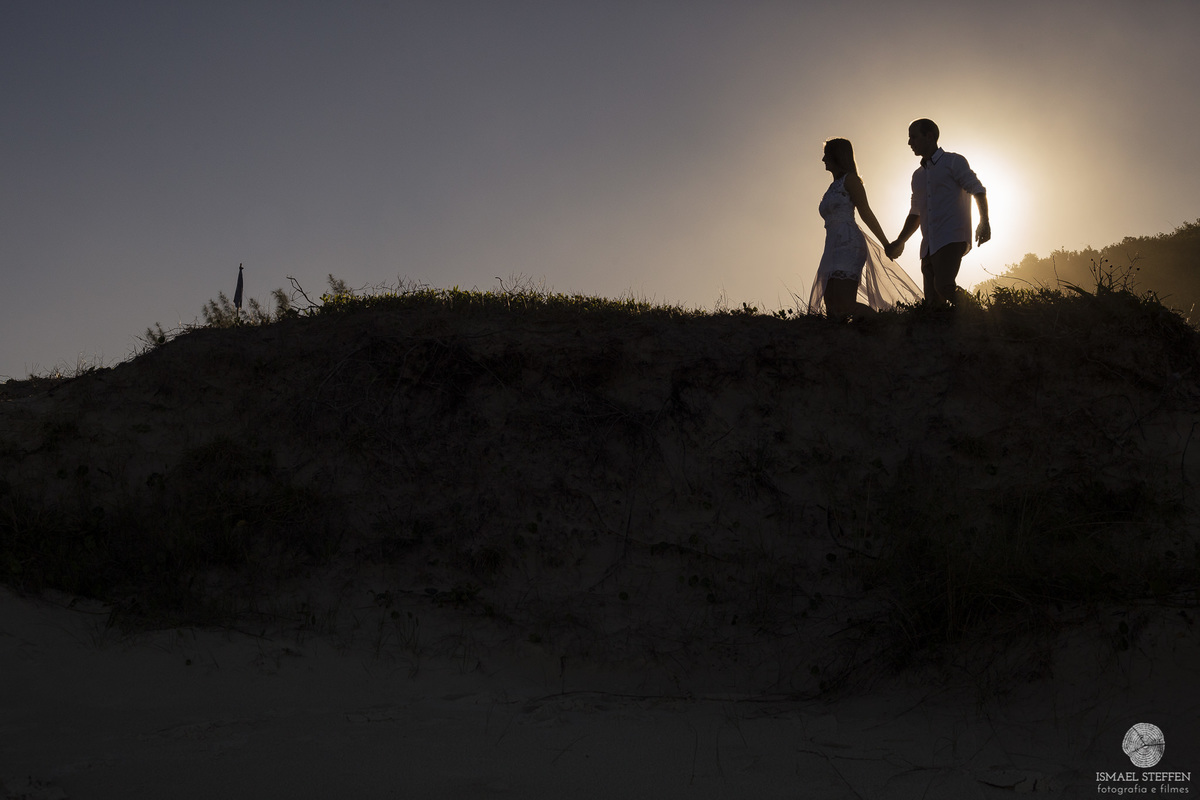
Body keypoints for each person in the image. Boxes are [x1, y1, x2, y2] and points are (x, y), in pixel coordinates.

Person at [809, 138, 922, 319]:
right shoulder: (831, 187)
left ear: (836, 156)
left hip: (849, 244)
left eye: (826, 155)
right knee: (831, 304)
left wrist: (886, 243)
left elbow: (866, 212)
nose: (823, 159)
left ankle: (881, 326)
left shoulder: (851, 180)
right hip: (832, 246)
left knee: (845, 304)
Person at [885, 119, 989, 306]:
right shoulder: (917, 176)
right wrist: (900, 241)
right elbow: (915, 213)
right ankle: (952, 331)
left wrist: (984, 221)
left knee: (943, 285)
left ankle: (980, 313)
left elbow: (977, 189)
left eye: (913, 137)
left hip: (951, 237)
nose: (910, 143)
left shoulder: (953, 161)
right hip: (928, 245)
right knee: (933, 302)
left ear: (930, 136)